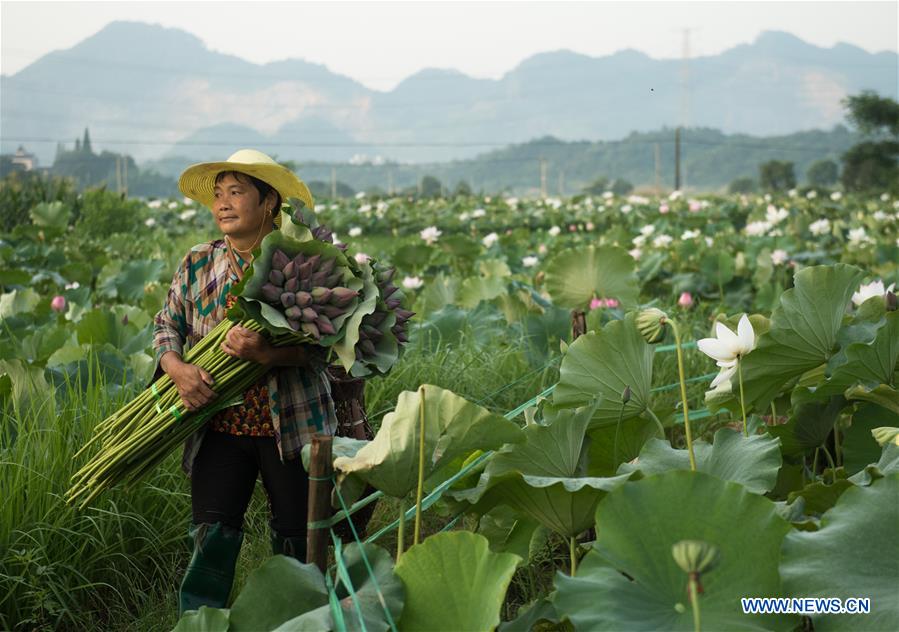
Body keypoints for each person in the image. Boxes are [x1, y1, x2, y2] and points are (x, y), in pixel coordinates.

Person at [152, 149, 338, 615]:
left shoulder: (300, 264)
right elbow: (165, 327)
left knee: (299, 539)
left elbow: (324, 350)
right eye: (218, 195)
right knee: (211, 537)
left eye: (236, 192)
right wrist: (178, 369)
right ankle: (200, 623)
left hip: (291, 425)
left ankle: (301, 622)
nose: (223, 204)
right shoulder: (198, 262)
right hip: (218, 424)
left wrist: (268, 354)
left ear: (269, 202)